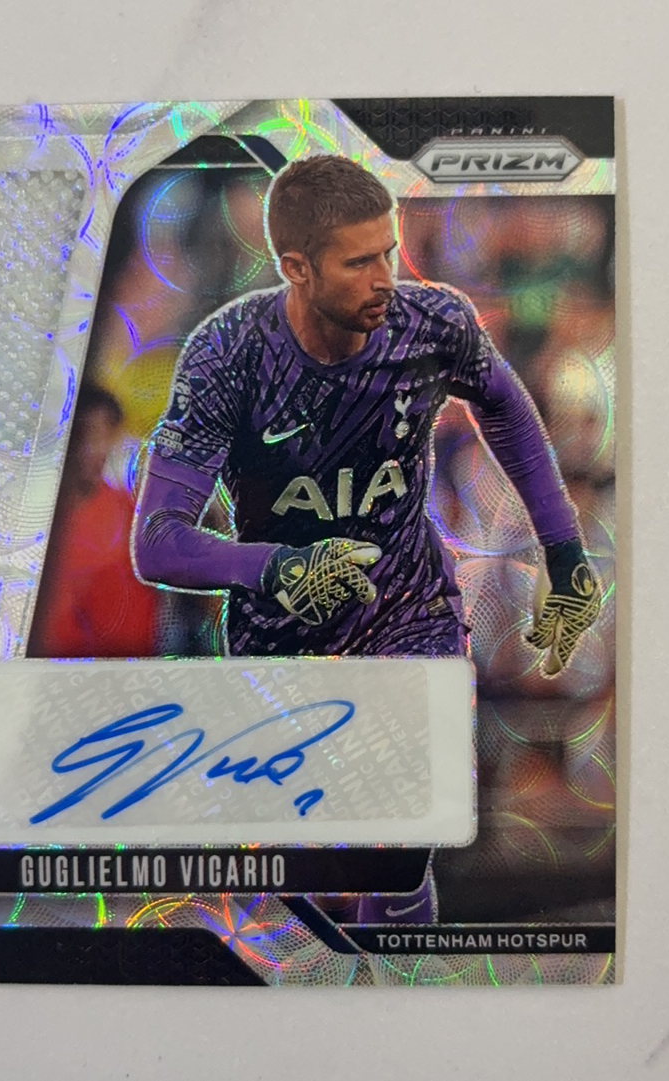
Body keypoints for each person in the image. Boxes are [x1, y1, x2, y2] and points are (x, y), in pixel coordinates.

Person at [132, 155, 601, 923]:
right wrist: (277, 566)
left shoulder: (432, 323)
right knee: (304, 886)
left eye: (387, 252)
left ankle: (398, 957)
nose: (386, 278)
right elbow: (156, 541)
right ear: (297, 268)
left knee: (398, 849)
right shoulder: (227, 355)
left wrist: (564, 547)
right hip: (283, 638)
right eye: (359, 262)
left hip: (410, 613)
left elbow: (507, 407)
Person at [29, 384, 157, 659]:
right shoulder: (32, 518)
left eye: (101, 437)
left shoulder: (133, 515)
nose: (90, 450)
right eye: (81, 437)